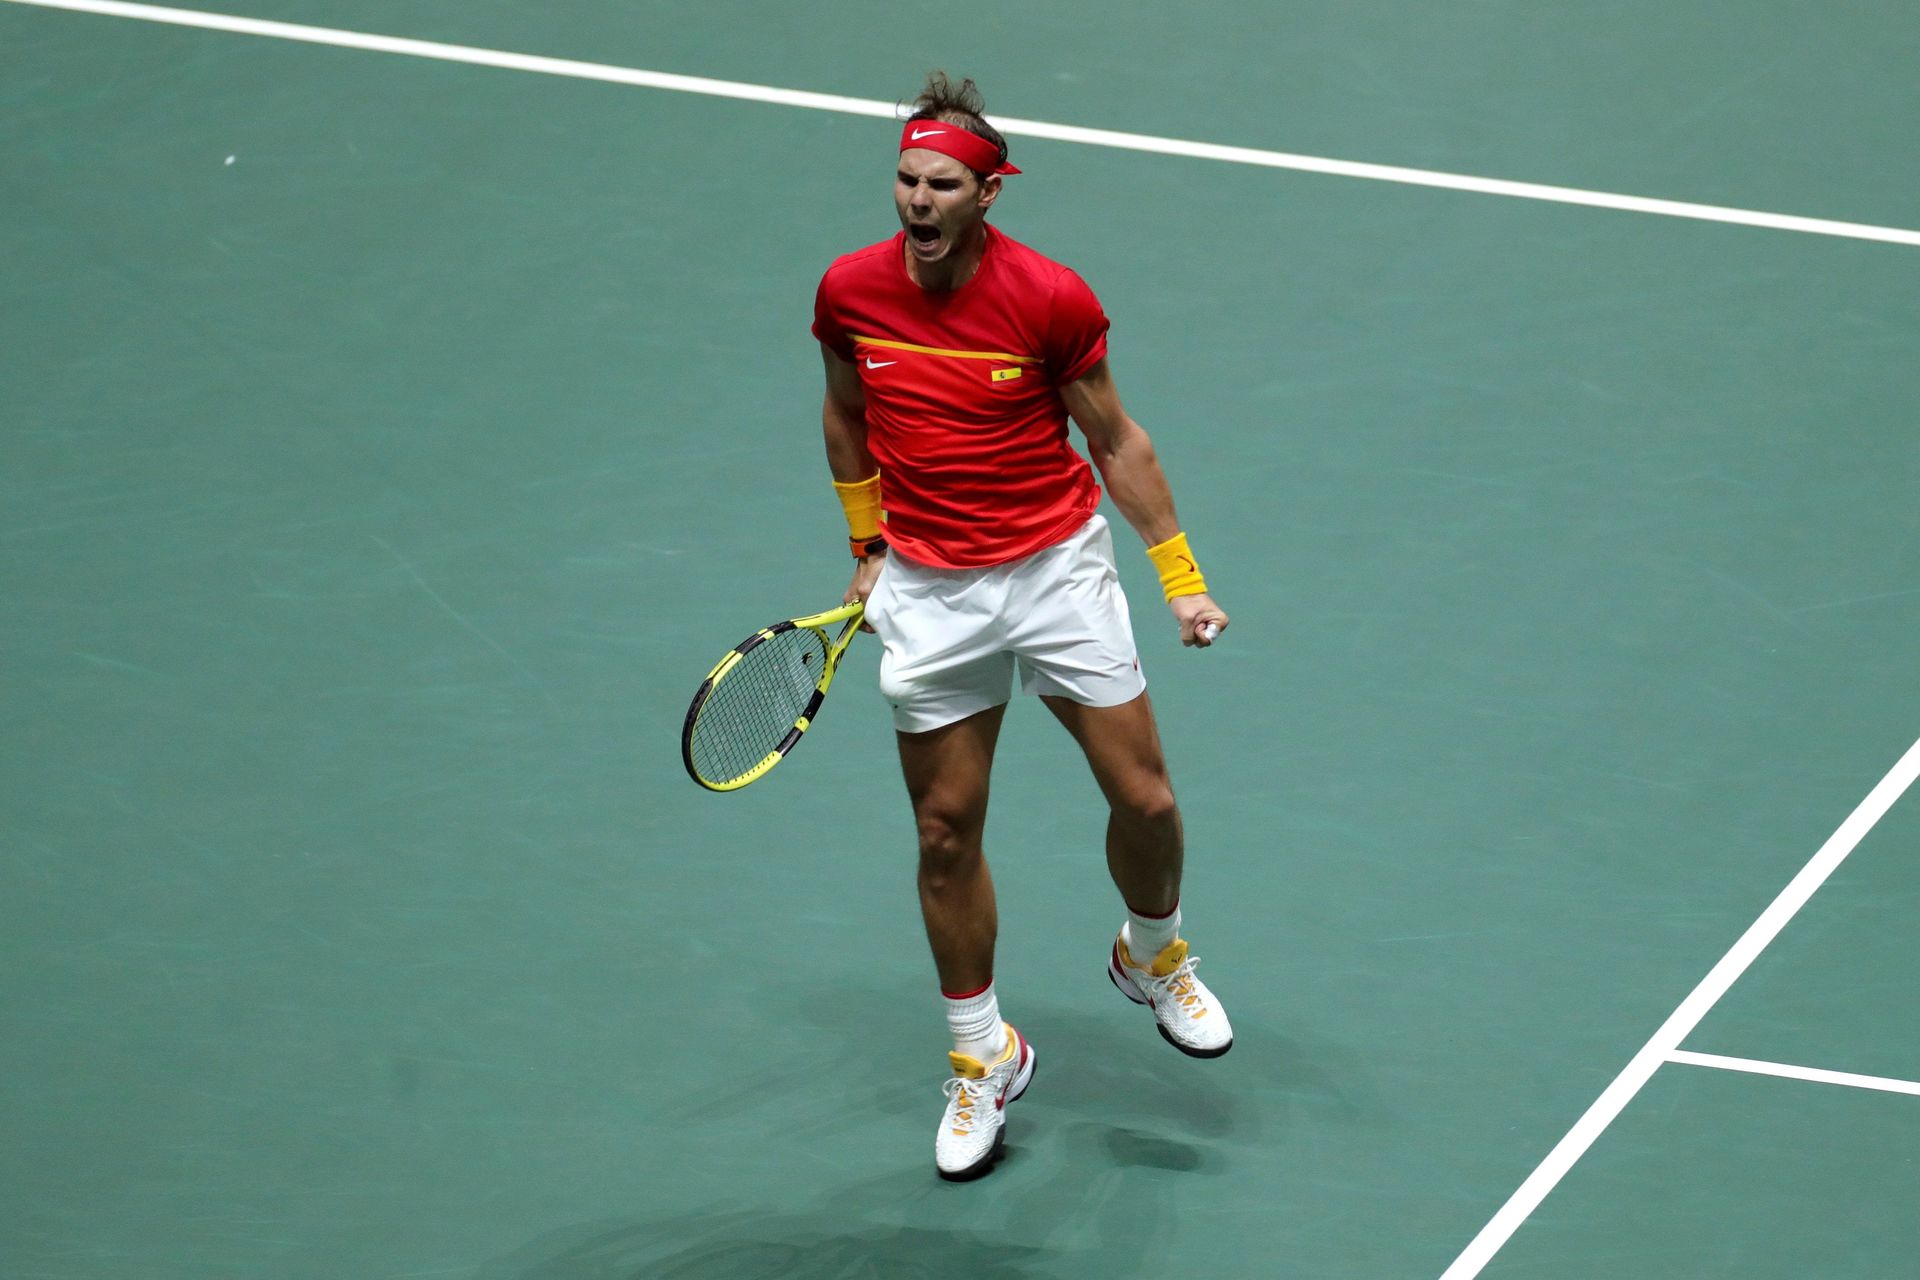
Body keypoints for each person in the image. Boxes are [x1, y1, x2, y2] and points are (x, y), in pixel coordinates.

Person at [812, 72, 1234, 1182]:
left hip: (1054, 572)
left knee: (1146, 799)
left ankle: (1153, 953)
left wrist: (1180, 577)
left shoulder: (1049, 298)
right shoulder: (851, 291)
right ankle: (980, 1054)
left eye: (943, 185)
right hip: (929, 591)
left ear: (989, 193)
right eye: (906, 179)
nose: (918, 200)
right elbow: (847, 413)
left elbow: (1117, 440)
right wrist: (866, 544)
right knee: (945, 833)